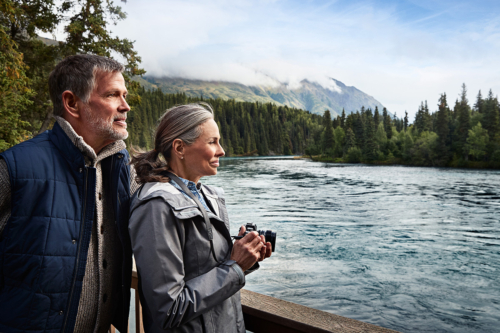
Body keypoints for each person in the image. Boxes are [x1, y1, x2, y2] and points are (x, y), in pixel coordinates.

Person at [0, 54, 138, 333]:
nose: (126, 106)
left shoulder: (122, 169)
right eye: (113, 95)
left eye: (124, 95)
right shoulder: (14, 167)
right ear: (72, 103)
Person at [129, 103, 272, 333]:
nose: (222, 150)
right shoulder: (156, 207)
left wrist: (245, 258)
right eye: (212, 141)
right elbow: (168, 309)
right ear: (179, 148)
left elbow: (209, 270)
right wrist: (235, 267)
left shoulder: (209, 197)